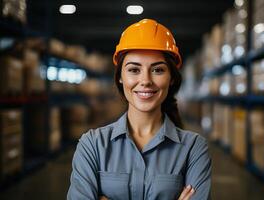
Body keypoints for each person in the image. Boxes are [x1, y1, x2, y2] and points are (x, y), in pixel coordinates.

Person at [67, 19, 211, 200]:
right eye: (134, 70)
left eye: (158, 70)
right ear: (120, 76)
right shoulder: (92, 145)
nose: (145, 81)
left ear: (171, 78)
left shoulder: (193, 149)